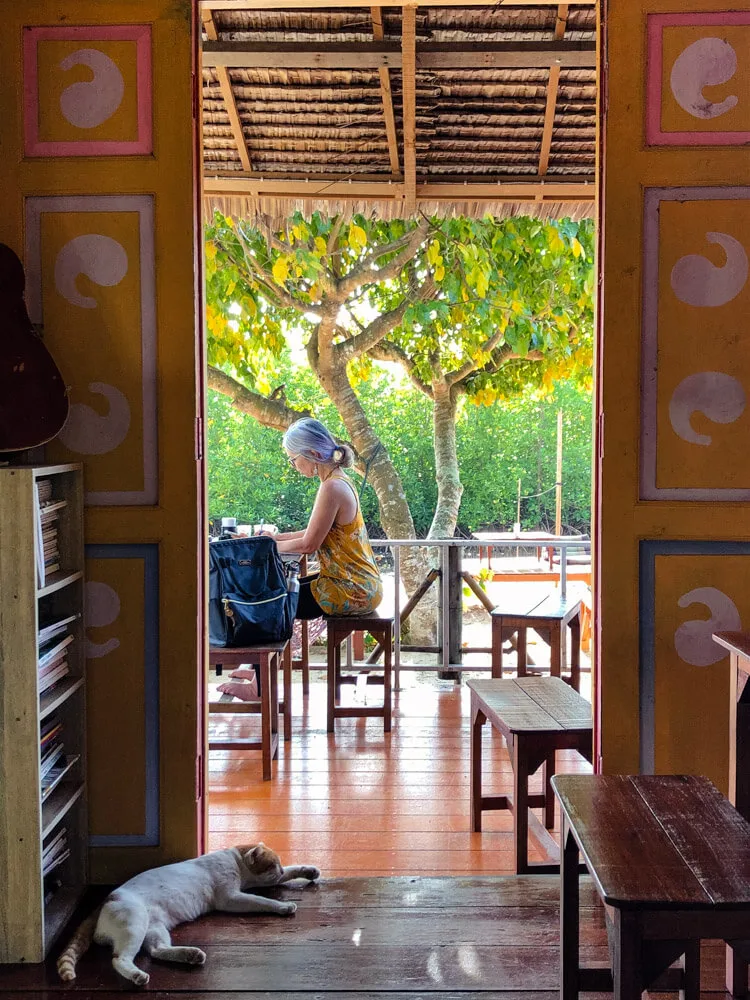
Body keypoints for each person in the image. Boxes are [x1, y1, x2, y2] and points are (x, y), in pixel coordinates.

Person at [260, 418, 383, 619]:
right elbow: (316, 532)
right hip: (359, 583)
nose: (294, 465)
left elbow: (309, 544)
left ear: (313, 454)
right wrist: (275, 538)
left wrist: (265, 546)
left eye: (294, 459)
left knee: (269, 604)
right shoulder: (337, 480)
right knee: (278, 596)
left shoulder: (332, 487)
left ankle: (267, 651)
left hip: (353, 590)